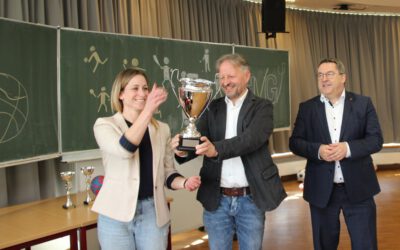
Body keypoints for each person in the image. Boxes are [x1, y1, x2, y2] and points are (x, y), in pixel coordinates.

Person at [171, 53, 287, 250]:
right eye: (221, 77)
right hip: (217, 200)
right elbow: (201, 140)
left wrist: (216, 149)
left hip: (251, 199)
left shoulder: (262, 107)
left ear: (246, 76)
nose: (225, 82)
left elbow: (250, 140)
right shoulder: (211, 107)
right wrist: (183, 151)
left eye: (230, 76)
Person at [92, 68, 201, 250]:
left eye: (145, 88)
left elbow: (167, 172)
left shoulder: (162, 129)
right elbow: (125, 149)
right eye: (135, 88)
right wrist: (148, 110)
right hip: (115, 215)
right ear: (120, 94)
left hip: (153, 212)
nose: (142, 93)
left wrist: (184, 182)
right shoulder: (105, 125)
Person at [289, 58, 383, 250]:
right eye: (320, 75)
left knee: (366, 245)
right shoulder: (307, 108)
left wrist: (347, 149)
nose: (324, 78)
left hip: (359, 189)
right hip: (321, 192)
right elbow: (295, 143)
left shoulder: (362, 104)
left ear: (343, 77)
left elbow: (375, 140)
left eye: (329, 74)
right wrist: (318, 151)